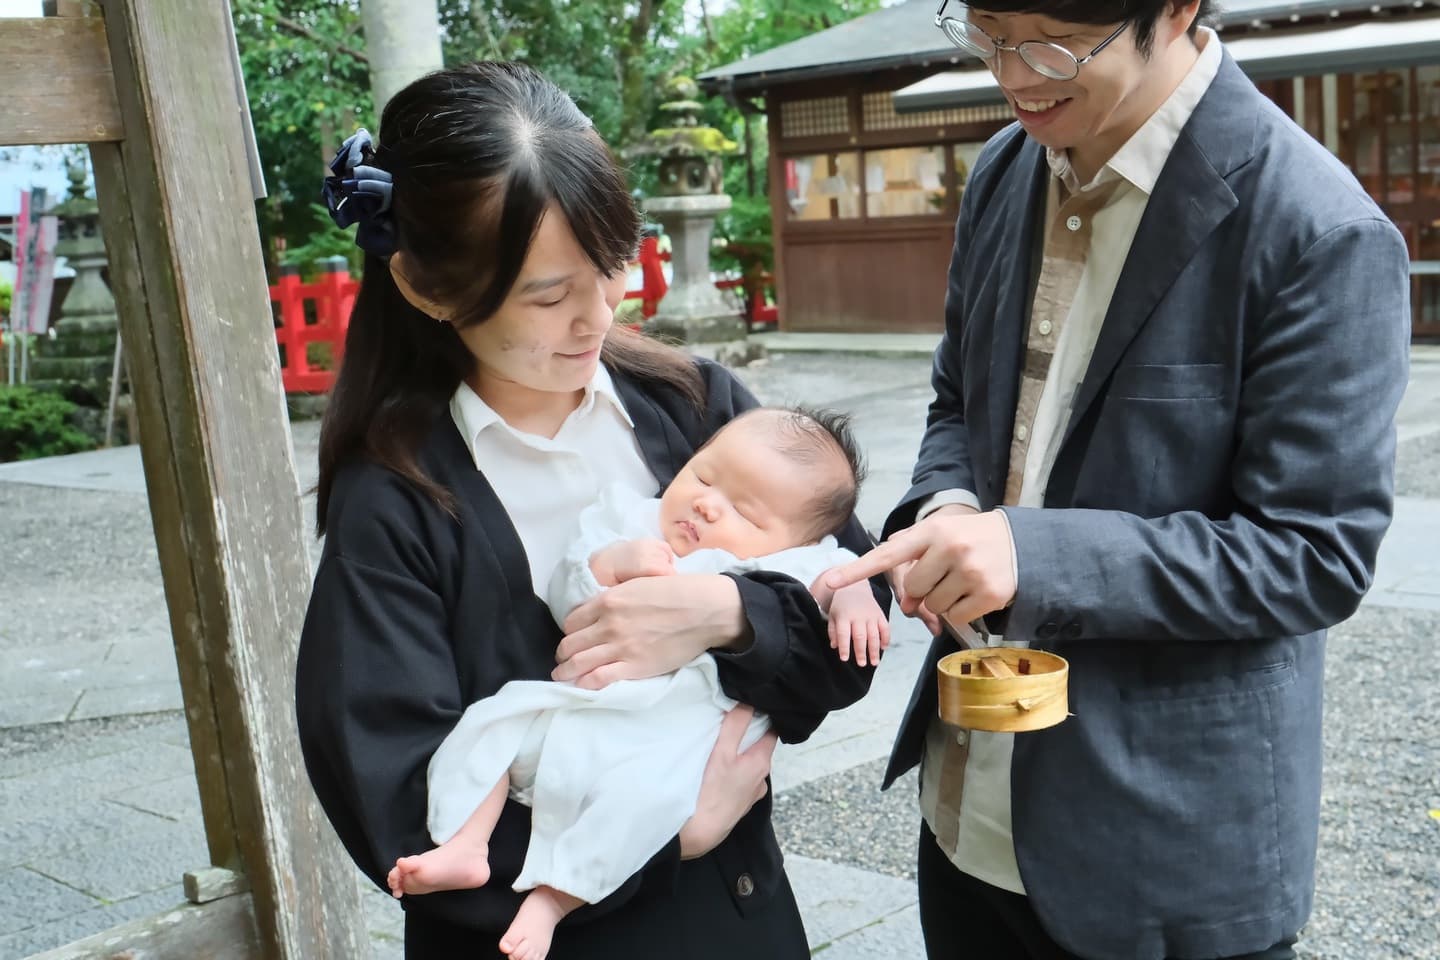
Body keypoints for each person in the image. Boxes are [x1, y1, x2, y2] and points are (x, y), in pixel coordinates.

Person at [822, 2, 1411, 959]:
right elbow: (957, 404)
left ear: (1174, 10)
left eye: (1051, 40)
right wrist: (948, 504)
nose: (1013, 76)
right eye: (987, 34)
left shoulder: (1316, 226)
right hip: (965, 811)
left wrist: (1033, 553)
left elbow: (1315, 554)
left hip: (1163, 857)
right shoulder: (1008, 170)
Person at [293, 61, 887, 960]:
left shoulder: (693, 409)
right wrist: (670, 837)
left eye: (609, 267)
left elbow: (854, 623)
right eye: (547, 295)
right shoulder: (397, 504)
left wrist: (729, 615)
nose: (598, 318)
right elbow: (393, 798)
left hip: (736, 924)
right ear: (423, 285)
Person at [384, 407, 890, 960]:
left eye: (743, 511)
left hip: (670, 737)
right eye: (704, 474)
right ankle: (467, 842)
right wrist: (608, 564)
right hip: (580, 707)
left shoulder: (797, 557)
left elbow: (840, 571)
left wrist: (852, 596)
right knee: (493, 724)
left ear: (791, 539)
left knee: (640, 806)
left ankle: (554, 899)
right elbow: (568, 590)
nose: (706, 502)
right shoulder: (632, 516)